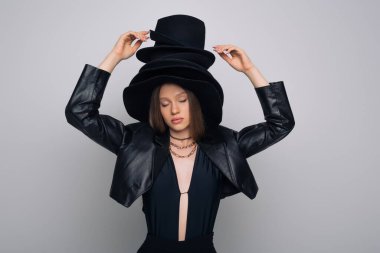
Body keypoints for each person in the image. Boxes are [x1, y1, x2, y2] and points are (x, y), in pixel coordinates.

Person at [65, 14, 295, 253]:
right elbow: (79, 113)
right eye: (164, 104)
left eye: (182, 100)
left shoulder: (226, 144)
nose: (174, 109)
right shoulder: (134, 141)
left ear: (195, 102)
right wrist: (114, 57)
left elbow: (281, 123)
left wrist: (250, 69)